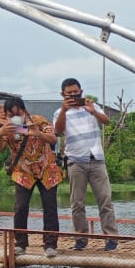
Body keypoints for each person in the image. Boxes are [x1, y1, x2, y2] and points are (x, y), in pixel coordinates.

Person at [52, 78, 119, 251]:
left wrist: (92, 111)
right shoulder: (60, 112)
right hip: (75, 160)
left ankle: (111, 239)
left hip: (96, 158)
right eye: (70, 94)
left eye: (76, 92)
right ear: (63, 95)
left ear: (81, 90)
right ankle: (80, 239)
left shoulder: (92, 106)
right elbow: (57, 131)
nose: (74, 96)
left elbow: (106, 121)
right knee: (77, 203)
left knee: (105, 200)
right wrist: (64, 110)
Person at [0, 97, 62, 257]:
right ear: (5, 115)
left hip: (47, 170)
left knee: (50, 207)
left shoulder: (38, 121)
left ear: (25, 111)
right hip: (23, 172)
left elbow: (53, 139)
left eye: (19, 113)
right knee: (20, 207)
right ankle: (21, 244)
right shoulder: (7, 129)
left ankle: (50, 245)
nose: (15, 117)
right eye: (11, 115)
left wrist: (37, 133)